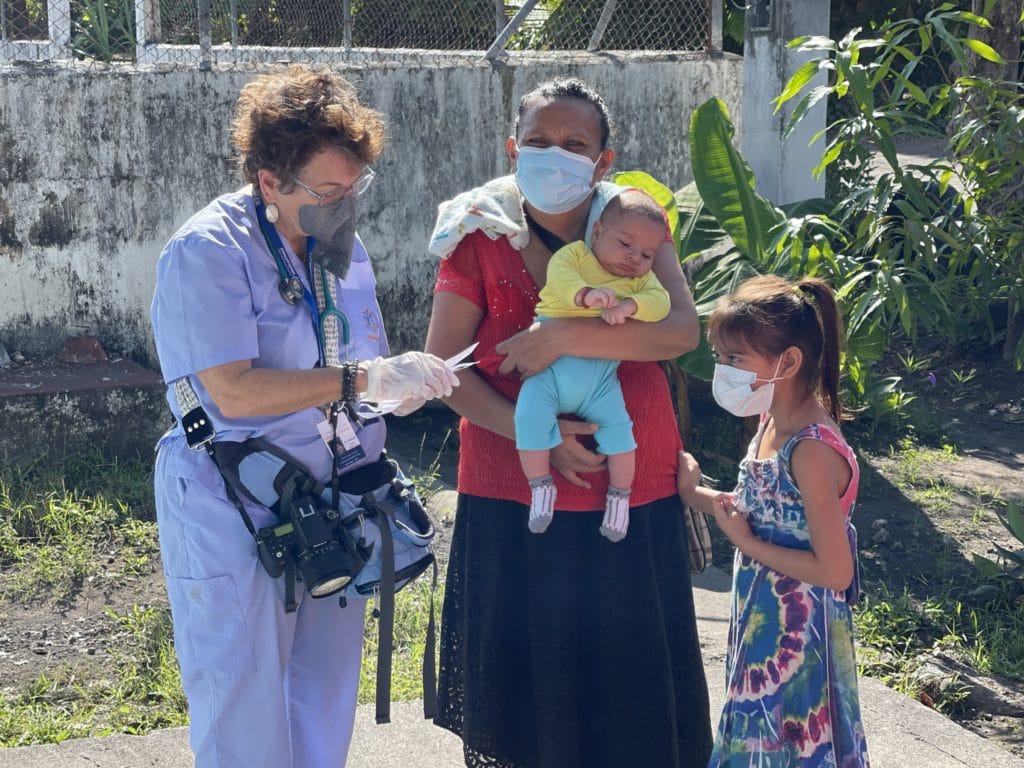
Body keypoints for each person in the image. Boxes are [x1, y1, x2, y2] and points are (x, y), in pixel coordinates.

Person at [150, 65, 458, 768]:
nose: (343, 205)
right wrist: (361, 380)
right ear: (270, 182)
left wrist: (395, 388)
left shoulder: (341, 250)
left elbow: (358, 359)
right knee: (244, 698)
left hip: (333, 500)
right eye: (327, 192)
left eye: (354, 188)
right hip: (236, 501)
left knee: (325, 694)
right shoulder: (208, 252)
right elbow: (232, 392)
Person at [424, 77, 714, 768]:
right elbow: (445, 369)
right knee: (531, 698)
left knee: (631, 690)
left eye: (575, 144)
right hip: (515, 487)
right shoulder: (477, 234)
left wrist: (561, 337)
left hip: (631, 484)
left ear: (603, 159)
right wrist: (541, 438)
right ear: (512, 149)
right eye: (539, 140)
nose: (555, 153)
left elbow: (680, 332)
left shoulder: (637, 224)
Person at [676, 274, 870, 767]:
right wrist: (694, 493)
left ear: (789, 361)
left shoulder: (811, 450)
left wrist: (746, 544)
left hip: (800, 640)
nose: (723, 370)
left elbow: (835, 572)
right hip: (763, 623)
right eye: (720, 357)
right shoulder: (771, 421)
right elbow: (757, 512)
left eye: (734, 359)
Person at [515, 188, 671, 541]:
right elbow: (560, 277)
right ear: (598, 232)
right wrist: (585, 295)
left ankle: (619, 498)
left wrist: (631, 306)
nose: (634, 257)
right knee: (528, 418)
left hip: (600, 381)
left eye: (646, 254)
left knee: (621, 437)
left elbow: (660, 302)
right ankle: (540, 487)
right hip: (548, 371)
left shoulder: (639, 282)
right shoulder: (576, 256)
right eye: (625, 244)